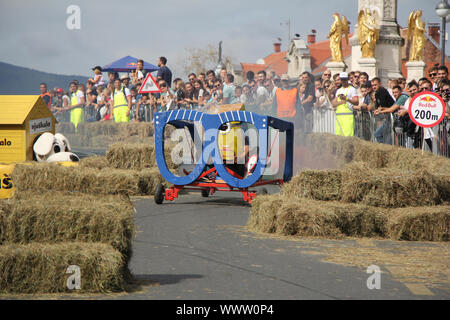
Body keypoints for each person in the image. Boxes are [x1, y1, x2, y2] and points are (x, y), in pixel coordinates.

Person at [331, 72, 358, 136]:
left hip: (348, 117)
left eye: (345, 79)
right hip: (339, 117)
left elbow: (356, 101)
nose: (343, 81)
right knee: (339, 137)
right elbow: (333, 103)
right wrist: (341, 102)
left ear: (347, 79)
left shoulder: (352, 89)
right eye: (342, 79)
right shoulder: (339, 90)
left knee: (348, 137)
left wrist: (347, 99)